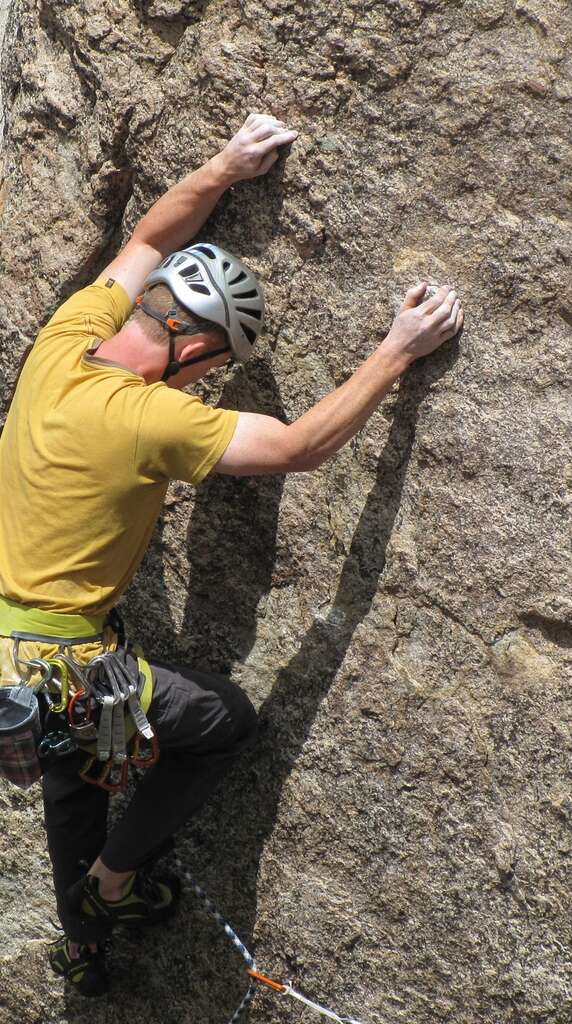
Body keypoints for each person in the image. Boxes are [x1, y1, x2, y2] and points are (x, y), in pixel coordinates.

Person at [0, 113, 463, 997]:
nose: (207, 386)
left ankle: (86, 946)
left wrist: (224, 165)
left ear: (156, 309)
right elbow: (297, 447)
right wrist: (395, 352)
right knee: (220, 724)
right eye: (213, 371)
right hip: (67, 670)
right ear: (200, 350)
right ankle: (112, 886)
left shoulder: (60, 343)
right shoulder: (151, 416)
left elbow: (144, 236)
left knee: (84, 770)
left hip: (14, 670)